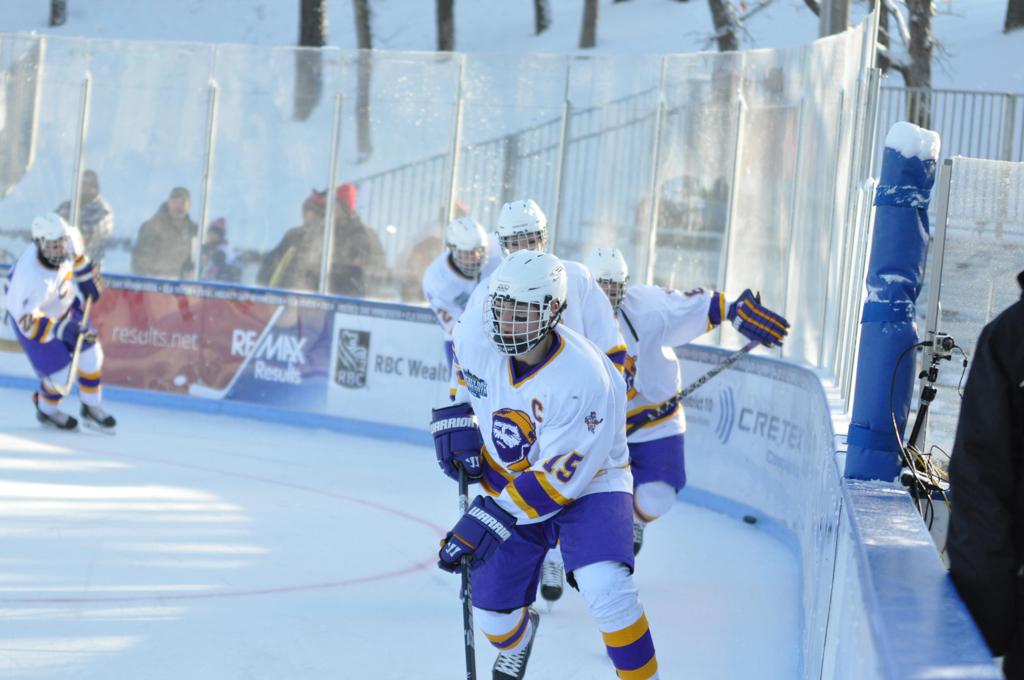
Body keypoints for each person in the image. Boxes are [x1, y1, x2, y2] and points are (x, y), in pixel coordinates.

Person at [430, 250, 661, 680]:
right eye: (502, 308)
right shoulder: (476, 330)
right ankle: (521, 637)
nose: (506, 322)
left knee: (606, 587)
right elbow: (465, 374)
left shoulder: (583, 378)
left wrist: (487, 518)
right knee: (494, 620)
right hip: (513, 480)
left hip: (592, 482)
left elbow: (556, 481)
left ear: (553, 312)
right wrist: (459, 414)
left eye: (520, 313)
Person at [456, 198, 626, 605]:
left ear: (544, 236)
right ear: (502, 243)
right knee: (528, 491)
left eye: (531, 238)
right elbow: (470, 360)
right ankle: (537, 567)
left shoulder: (576, 278)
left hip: (573, 405)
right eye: (515, 241)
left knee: (561, 487)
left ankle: (555, 555)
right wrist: (458, 414)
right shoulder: (490, 291)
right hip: (521, 413)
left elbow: (609, 343)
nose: (524, 247)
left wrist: (612, 404)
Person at [585, 246, 790, 554]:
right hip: (595, 426)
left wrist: (734, 309)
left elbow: (696, 305)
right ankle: (559, 558)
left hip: (654, 419)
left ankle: (630, 522)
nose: (607, 298)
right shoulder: (571, 320)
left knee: (659, 496)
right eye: (600, 289)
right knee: (568, 494)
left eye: (613, 290)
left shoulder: (648, 309)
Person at [948, 271, 1024, 679]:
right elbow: (982, 477)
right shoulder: (1010, 339)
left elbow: (980, 480)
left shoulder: (1009, 337)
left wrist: (988, 615)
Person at [3, 213, 116, 431]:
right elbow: (27, 322)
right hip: (33, 321)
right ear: (39, 243)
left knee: (92, 355)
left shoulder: (69, 238)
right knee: (60, 375)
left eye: (61, 243)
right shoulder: (29, 278)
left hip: (65, 306)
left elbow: (79, 258)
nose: (60, 250)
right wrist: (59, 328)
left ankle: (91, 407)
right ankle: (46, 410)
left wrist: (85, 275)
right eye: (53, 246)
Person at [422, 216, 496, 367]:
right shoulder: (435, 280)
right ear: (453, 251)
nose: (475, 258)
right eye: (467, 254)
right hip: (462, 336)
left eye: (479, 251)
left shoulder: (496, 251)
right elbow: (457, 329)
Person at [257, 189, 327, 292]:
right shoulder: (293, 236)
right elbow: (272, 262)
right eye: (307, 210)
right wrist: (263, 289)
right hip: (283, 295)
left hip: (310, 298)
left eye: (316, 213)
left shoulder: (328, 243)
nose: (309, 216)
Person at [328, 183, 389, 298]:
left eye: (335, 205)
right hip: (331, 296)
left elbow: (373, 270)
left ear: (344, 207)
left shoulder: (363, 235)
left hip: (353, 300)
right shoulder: (330, 231)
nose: (331, 210)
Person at [130, 187, 198, 279]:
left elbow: (199, 260)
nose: (178, 207)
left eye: (182, 203)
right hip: (155, 281)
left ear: (189, 205)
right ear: (168, 203)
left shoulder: (194, 230)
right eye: (175, 202)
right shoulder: (152, 227)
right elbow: (140, 261)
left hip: (183, 283)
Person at [56, 169, 114, 264]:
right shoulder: (67, 206)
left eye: (86, 184)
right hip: (63, 264)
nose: (82, 187)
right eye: (80, 184)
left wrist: (65, 236)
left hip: (90, 265)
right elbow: (50, 226)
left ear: (94, 187)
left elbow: (91, 237)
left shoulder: (103, 211)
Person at [199, 217, 241, 283]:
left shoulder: (226, 251)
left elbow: (228, 273)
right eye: (209, 232)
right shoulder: (203, 249)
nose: (210, 235)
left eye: (214, 233)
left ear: (221, 236)